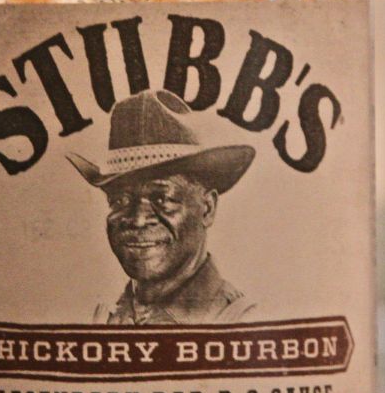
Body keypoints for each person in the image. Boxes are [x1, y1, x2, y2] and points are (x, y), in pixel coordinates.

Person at [67, 90, 258, 325]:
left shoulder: (240, 321)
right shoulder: (105, 318)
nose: (137, 220)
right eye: (120, 201)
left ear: (207, 208)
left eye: (161, 199)